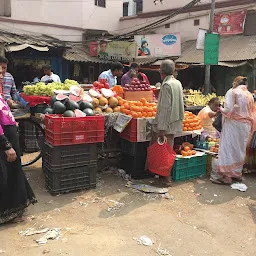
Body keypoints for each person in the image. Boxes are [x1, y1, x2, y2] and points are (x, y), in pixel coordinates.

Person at [0, 66, 36, 224]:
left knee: (13, 174)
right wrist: (7, 146)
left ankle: (14, 212)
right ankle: (6, 214)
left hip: (9, 137)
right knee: (4, 177)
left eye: (2, 73)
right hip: (4, 143)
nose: (2, 76)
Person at [211, 76, 254, 185]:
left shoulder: (232, 92)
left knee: (228, 148)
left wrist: (220, 108)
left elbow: (228, 110)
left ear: (235, 82)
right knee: (240, 149)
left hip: (233, 125)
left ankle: (226, 177)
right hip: (245, 126)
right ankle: (236, 174)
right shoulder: (249, 94)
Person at [150, 60, 184, 185]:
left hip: (167, 123)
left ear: (161, 72)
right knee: (168, 149)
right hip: (175, 121)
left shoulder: (166, 85)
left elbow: (165, 108)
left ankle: (166, 176)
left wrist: (161, 129)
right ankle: (160, 174)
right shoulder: (177, 83)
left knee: (163, 151)